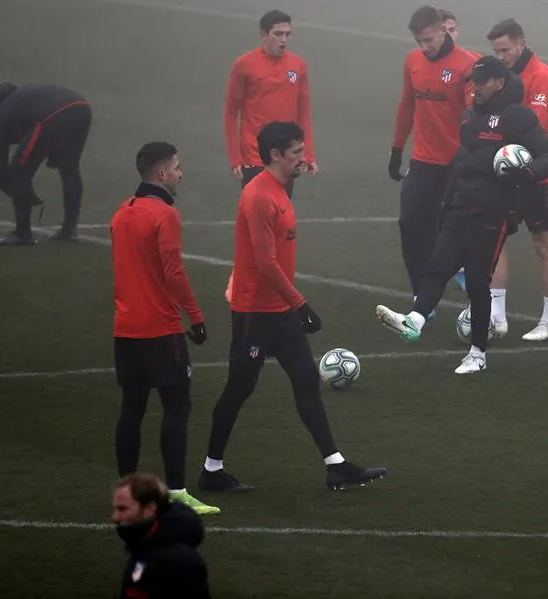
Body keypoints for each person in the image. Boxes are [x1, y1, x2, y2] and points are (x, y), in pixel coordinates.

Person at [200, 122, 387, 493]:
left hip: (278, 310)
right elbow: (265, 263)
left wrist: (291, 307)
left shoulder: (281, 190)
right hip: (256, 313)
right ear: (275, 156)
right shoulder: (258, 197)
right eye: (297, 152)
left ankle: (335, 466)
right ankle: (211, 470)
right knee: (239, 388)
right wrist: (300, 305)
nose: (303, 158)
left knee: (305, 380)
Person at [376, 56, 548, 374]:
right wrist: (447, 202)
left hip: (493, 211)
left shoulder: (520, 119)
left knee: (477, 281)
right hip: (460, 205)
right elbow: (461, 164)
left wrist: (528, 172)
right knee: (438, 268)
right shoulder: (470, 118)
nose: (475, 88)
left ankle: (477, 353)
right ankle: (414, 322)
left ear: (499, 83)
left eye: (482, 82)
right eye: (473, 82)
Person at [111, 142, 218, 516]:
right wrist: (197, 317)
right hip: (161, 329)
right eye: (176, 167)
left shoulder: (120, 214)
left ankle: (126, 491)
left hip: (125, 329)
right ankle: (177, 491)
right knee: (177, 407)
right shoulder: (164, 215)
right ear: (160, 174)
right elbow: (173, 274)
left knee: (131, 410)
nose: (180, 173)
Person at [484, 18, 548, 341]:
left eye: (505, 49)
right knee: (496, 240)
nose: (501, 56)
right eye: (496, 51)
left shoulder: (542, 77)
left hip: (542, 174)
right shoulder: (502, 77)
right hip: (508, 173)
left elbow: (535, 126)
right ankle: (497, 317)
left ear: (521, 43)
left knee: (544, 245)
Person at [390, 5, 477, 299]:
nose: (424, 48)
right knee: (410, 222)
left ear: (444, 29)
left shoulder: (468, 65)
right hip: (424, 160)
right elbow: (406, 105)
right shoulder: (413, 61)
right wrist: (396, 148)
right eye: (419, 42)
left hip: (458, 162)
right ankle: (421, 292)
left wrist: (472, 158)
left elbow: (474, 116)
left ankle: (471, 278)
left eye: (429, 40)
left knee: (456, 227)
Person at [0, 82, 92, 245]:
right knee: (69, 168)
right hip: (81, 107)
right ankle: (69, 230)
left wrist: (19, 191)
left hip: (53, 114)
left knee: (19, 170)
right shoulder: (20, 99)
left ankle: (22, 234)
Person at [224, 10, 317, 192]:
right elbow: (231, 112)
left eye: (287, 34)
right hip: (254, 156)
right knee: (259, 215)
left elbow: (304, 113)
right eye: (278, 34)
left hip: (285, 157)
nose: (283, 39)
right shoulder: (244, 65)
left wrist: (308, 153)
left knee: (281, 215)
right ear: (264, 35)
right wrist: (235, 157)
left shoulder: (298, 65)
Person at [112, 473, 212, 599]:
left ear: (149, 509)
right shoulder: (144, 547)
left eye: (122, 509)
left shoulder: (177, 563)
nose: (114, 517)